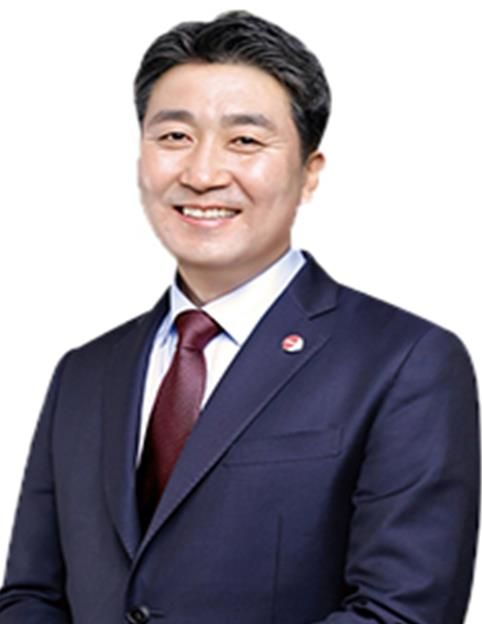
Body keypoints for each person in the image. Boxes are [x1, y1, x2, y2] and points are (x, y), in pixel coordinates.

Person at [0, 10, 478, 624]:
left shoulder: (405, 362)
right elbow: (31, 596)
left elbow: (400, 613)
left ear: (309, 174)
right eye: (174, 136)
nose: (202, 174)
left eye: (245, 141)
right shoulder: (84, 373)